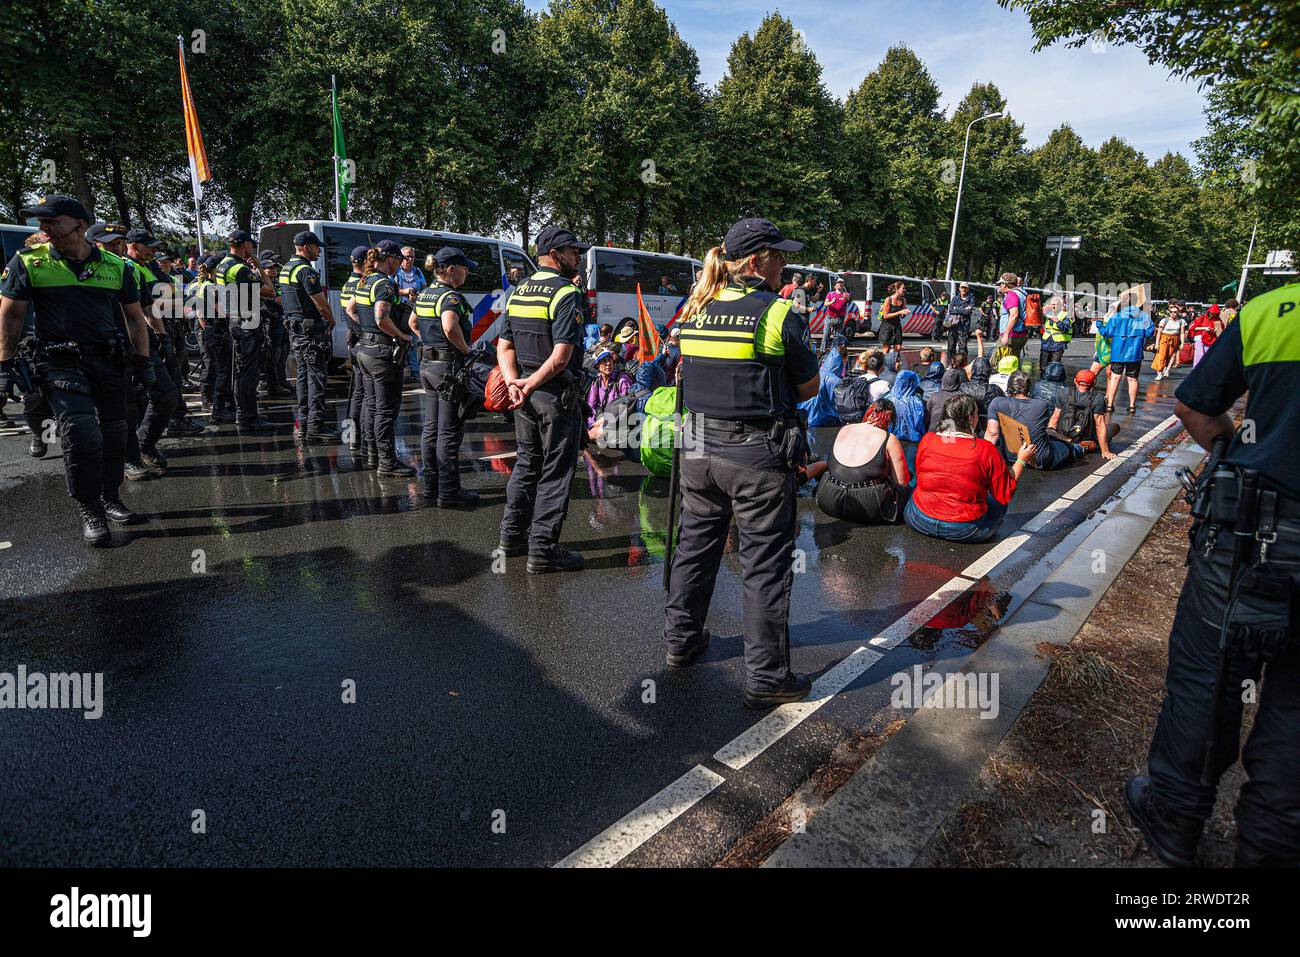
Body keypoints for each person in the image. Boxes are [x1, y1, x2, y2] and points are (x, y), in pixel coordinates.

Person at [1127, 280, 1300, 869]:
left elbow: (1195, 407)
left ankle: (1175, 818)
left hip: (1252, 535)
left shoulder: (1276, 312)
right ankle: (1271, 845)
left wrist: (1234, 451)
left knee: (1211, 676)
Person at [664, 217, 819, 709]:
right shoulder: (776, 314)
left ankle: (681, 643)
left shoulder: (696, 309)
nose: (784, 265)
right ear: (756, 262)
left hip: (697, 451)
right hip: (755, 456)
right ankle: (767, 677)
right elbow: (809, 387)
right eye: (779, 256)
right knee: (765, 565)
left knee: (695, 547)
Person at [0, 194, 153, 545]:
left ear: (79, 225)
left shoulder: (118, 267)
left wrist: (144, 363)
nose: (44, 229)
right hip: (59, 363)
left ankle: (110, 497)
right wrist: (4, 367)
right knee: (81, 434)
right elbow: (10, 316)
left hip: (109, 362)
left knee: (116, 434)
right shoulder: (29, 261)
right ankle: (90, 509)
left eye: (51, 221)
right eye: (41, 223)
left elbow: (134, 318)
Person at [497, 226, 591, 573]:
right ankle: (542, 550)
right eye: (573, 251)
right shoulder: (566, 293)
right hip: (553, 393)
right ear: (554, 254)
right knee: (555, 471)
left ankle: (511, 537)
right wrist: (531, 383)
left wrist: (514, 384)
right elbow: (562, 356)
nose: (577, 258)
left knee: (526, 463)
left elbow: (503, 346)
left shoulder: (519, 290)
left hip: (522, 392)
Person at [905, 394, 1033, 543]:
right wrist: (1021, 460)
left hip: (919, 519)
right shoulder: (986, 450)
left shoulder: (927, 440)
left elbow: (920, 475)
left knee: (916, 481)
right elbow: (1005, 492)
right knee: (997, 498)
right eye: (976, 413)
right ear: (971, 419)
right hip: (965, 529)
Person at [413, 245, 480, 505]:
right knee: (449, 432)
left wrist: (431, 345)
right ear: (451, 270)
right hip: (448, 369)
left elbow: (413, 324)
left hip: (428, 366)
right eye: (464, 269)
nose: (467, 274)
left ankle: (431, 487)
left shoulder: (425, 294)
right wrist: (466, 350)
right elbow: (451, 326)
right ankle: (449, 492)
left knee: (431, 429)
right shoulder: (450, 297)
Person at [348, 239, 415, 475]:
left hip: (364, 350)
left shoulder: (364, 281)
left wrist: (365, 333)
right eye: (398, 260)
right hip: (382, 354)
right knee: (386, 410)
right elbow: (381, 318)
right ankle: (387, 462)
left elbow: (351, 310)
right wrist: (401, 336)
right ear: (390, 259)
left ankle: (372, 455)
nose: (399, 265)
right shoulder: (384, 284)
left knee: (371, 405)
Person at [214, 229, 276, 434]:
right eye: (251, 244)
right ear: (244, 245)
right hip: (247, 321)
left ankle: (243, 413)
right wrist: (257, 263)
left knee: (240, 371)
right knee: (249, 373)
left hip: (234, 318)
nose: (253, 248)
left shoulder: (222, 264)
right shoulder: (240, 268)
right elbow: (270, 291)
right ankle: (248, 417)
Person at [280, 230, 339, 442]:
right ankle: (316, 425)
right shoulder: (306, 271)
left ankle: (304, 422)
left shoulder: (287, 268)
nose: (318, 252)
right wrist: (332, 320)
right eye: (316, 248)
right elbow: (320, 303)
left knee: (303, 377)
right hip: (309, 331)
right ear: (306, 247)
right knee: (316, 378)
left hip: (295, 330)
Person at [815, 399, 911, 524]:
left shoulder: (845, 428)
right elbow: (902, 482)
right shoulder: (889, 439)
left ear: (868, 413)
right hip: (868, 505)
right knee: (907, 488)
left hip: (828, 498)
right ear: (889, 420)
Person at [986, 370, 1082, 470]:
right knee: (1065, 446)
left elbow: (992, 434)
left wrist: (982, 458)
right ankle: (1080, 448)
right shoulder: (1041, 405)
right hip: (1038, 459)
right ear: (1027, 388)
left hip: (1010, 457)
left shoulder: (997, 402)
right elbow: (1039, 430)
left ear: (1009, 387)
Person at [1098, 288, 1154, 415]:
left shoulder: (1117, 317)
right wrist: (1141, 334)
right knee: (1132, 379)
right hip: (1135, 353)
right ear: (1136, 303)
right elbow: (1150, 331)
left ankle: (1110, 405)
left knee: (1115, 378)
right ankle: (1132, 406)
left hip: (1118, 352)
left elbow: (1107, 333)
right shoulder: (1143, 316)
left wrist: (1099, 325)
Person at [1048, 368, 1119, 459]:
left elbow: (1055, 417)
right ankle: (1087, 445)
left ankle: (1070, 443)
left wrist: (1050, 437)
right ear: (1093, 383)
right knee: (1115, 427)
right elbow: (1100, 425)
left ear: (1075, 381)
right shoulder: (1098, 398)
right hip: (1084, 437)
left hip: (1062, 436)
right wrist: (1105, 451)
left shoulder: (1063, 392)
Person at [340, 244, 368, 451]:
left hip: (354, 341)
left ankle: (353, 437)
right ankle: (362, 437)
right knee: (367, 393)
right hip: (364, 341)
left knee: (357, 391)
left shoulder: (347, 284)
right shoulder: (362, 284)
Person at [585, 348, 632, 442]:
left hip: (618, 424)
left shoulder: (622, 380)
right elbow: (591, 407)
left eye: (609, 359)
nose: (608, 363)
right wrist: (593, 424)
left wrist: (604, 423)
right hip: (600, 423)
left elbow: (625, 407)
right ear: (597, 366)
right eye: (603, 361)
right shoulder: (596, 382)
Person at [397, 246, 427, 378]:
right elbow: (389, 289)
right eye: (408, 256)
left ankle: (415, 371)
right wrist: (405, 291)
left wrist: (417, 295)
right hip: (400, 310)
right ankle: (400, 367)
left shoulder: (418, 271)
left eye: (412, 256)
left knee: (414, 340)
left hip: (414, 310)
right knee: (400, 340)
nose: (410, 259)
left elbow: (425, 289)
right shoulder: (396, 271)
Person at [959, 354, 1004, 432]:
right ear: (989, 371)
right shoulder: (995, 389)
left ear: (973, 370)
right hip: (988, 426)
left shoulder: (964, 387)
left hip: (968, 426)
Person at [884, 368, 925, 442]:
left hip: (890, 440)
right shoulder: (916, 402)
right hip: (911, 441)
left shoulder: (887, 399)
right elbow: (918, 424)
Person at [995, 272, 1029, 360]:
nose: (1000, 286)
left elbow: (1014, 315)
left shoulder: (1011, 294)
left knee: (1000, 363)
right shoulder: (1023, 292)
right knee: (1013, 363)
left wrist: (1006, 335)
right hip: (1022, 334)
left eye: (1000, 284)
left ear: (1005, 284)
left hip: (1011, 336)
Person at [1152, 300, 1187, 380]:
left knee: (1171, 355)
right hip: (1164, 338)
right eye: (1171, 312)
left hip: (1175, 338)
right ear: (1169, 312)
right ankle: (1159, 372)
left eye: (1175, 312)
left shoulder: (1181, 321)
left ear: (1178, 312)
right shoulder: (1164, 320)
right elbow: (1159, 333)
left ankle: (1167, 370)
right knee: (1161, 356)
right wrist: (1157, 343)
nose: (1173, 313)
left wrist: (1182, 343)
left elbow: (1182, 333)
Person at [925, 367, 966, 432]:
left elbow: (927, 417)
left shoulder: (934, 396)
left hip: (934, 432)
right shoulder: (963, 398)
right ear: (958, 382)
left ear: (943, 380)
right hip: (954, 434)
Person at [1039, 295, 1072, 370]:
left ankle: (1053, 380)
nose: (1052, 306)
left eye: (1055, 304)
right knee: (1043, 366)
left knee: (1054, 367)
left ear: (1060, 306)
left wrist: (1057, 321)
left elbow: (1066, 328)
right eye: (1051, 304)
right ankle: (1043, 380)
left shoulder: (1065, 315)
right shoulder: (1047, 314)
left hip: (1058, 345)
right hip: (1046, 343)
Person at [945, 282, 975, 358]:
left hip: (963, 326)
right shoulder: (955, 298)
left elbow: (967, 312)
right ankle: (951, 363)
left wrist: (957, 308)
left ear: (968, 289)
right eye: (962, 287)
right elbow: (951, 310)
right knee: (951, 346)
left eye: (965, 287)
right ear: (959, 288)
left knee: (963, 347)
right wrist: (962, 310)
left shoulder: (971, 299)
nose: (963, 289)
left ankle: (962, 364)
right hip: (953, 324)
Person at [877, 280, 906, 353]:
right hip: (887, 325)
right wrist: (899, 312)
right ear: (897, 289)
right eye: (903, 288)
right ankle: (884, 363)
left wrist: (904, 313)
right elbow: (885, 315)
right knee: (887, 348)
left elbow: (902, 316)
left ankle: (894, 362)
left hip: (897, 325)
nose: (904, 290)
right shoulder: (888, 299)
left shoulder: (903, 300)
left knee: (898, 347)